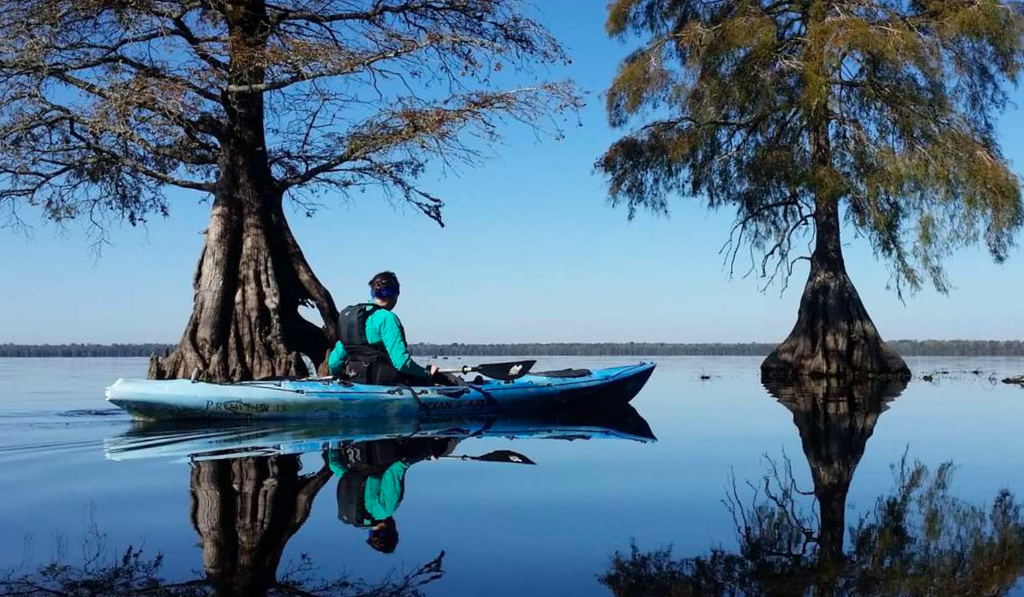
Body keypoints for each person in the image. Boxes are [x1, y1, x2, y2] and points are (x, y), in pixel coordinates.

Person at [327, 438, 458, 554]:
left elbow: (396, 468)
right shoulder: (354, 508)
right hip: (353, 450)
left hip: (379, 447)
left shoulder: (385, 510)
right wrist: (333, 446)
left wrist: (425, 455)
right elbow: (334, 465)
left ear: (393, 531)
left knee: (443, 448)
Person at [328, 271, 439, 385]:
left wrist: (341, 376)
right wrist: (427, 373)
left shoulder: (351, 318)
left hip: (354, 380)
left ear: (372, 293)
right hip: (384, 383)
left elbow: (333, 363)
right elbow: (401, 363)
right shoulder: (387, 318)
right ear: (395, 295)